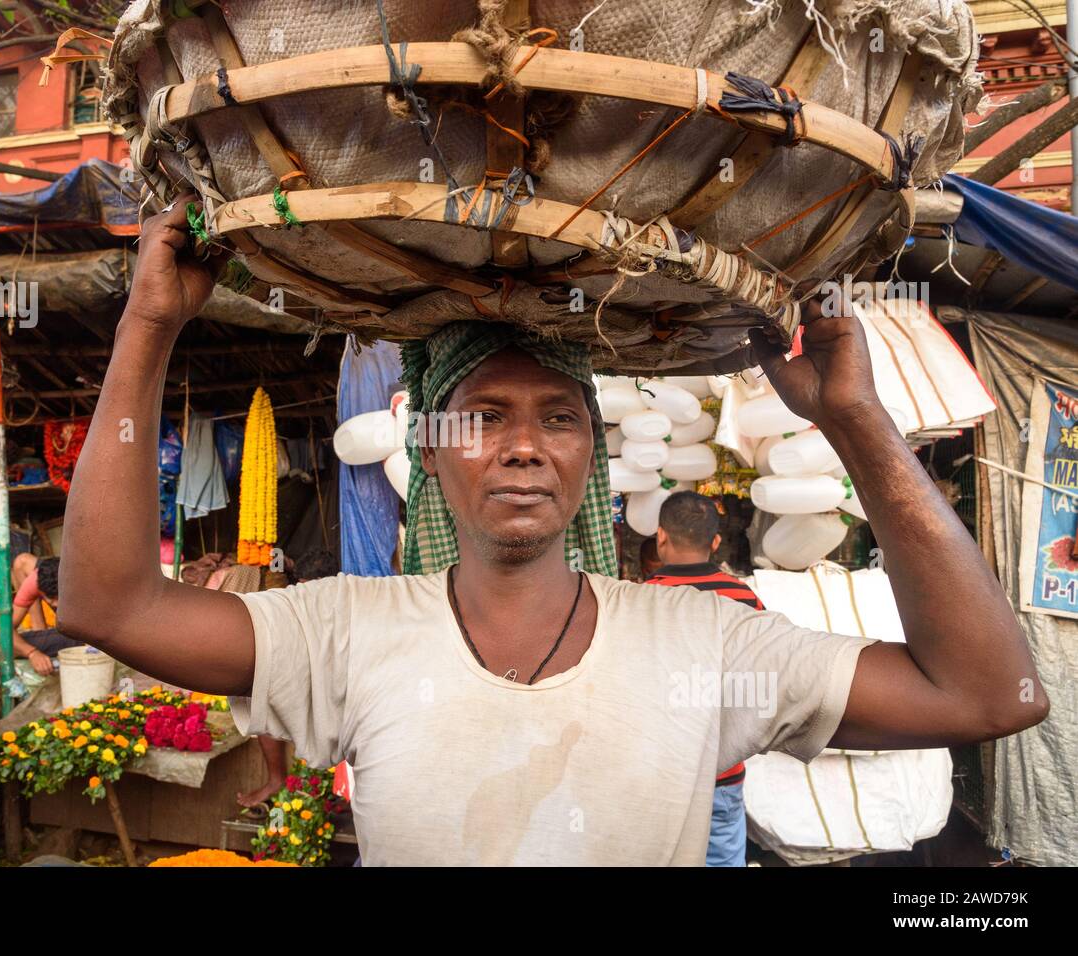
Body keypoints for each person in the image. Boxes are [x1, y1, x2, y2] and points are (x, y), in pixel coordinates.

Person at [56, 197, 1049, 866]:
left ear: (592, 459)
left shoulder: (702, 644)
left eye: (559, 416)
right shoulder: (346, 632)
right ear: (431, 451)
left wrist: (852, 418)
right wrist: (148, 326)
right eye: (484, 416)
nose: (525, 445)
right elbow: (108, 602)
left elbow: (987, 691)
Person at [647, 491, 763, 867]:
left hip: (660, 773)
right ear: (715, 542)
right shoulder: (746, 599)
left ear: (660, 535)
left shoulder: (641, 600)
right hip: (722, 771)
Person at [236, 547, 341, 809]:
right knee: (262, 694)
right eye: (301, 587)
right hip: (301, 682)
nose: (304, 596)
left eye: (310, 589)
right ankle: (277, 780)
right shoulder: (289, 600)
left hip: (339, 690)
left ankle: (325, 790)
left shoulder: (343, 604)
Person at [8, 557, 78, 676]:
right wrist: (32, 653)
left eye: (60, 597)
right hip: (67, 633)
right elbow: (6, 630)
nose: (56, 604)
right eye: (51, 599)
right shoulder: (33, 582)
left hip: (85, 632)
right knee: (10, 644)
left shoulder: (80, 581)